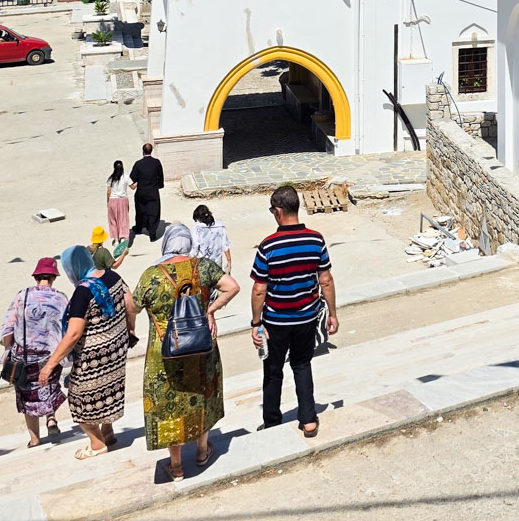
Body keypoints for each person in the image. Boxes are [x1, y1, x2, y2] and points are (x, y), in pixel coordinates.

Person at [135, 223, 240, 479]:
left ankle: (177, 465)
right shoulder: (203, 266)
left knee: (171, 405)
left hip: (166, 355)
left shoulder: (152, 275)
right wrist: (210, 310)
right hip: (202, 347)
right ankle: (203, 451)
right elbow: (232, 287)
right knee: (202, 396)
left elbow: (133, 305)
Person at [250, 185, 337, 437]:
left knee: (273, 372)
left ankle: (272, 423)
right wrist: (332, 314)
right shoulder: (315, 239)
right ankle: (308, 420)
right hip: (307, 317)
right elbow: (326, 280)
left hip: (276, 321)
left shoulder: (268, 246)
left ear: (278, 211)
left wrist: (256, 323)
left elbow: (259, 289)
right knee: (302, 364)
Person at [39, 244, 135, 459]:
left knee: (79, 399)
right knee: (108, 389)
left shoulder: (82, 292)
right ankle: (108, 432)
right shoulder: (113, 276)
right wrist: (130, 331)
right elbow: (130, 304)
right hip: (117, 349)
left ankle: (97, 442)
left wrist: (50, 364)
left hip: (93, 358)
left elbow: (73, 334)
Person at [0, 258, 68, 446]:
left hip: (23, 356)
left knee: (27, 395)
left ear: (36, 276)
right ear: (54, 277)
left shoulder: (23, 295)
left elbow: (8, 326)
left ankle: (34, 439)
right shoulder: (60, 298)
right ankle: (51, 418)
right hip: (49, 355)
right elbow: (67, 328)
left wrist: (8, 350)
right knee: (46, 387)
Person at [129, 144, 164, 244]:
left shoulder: (138, 164)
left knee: (140, 210)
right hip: (153, 192)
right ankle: (152, 234)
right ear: (151, 151)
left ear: (143, 151)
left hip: (141, 192)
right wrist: (159, 185)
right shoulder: (156, 163)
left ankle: (139, 228)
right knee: (153, 212)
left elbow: (132, 178)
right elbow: (160, 176)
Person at [190, 204, 231, 272]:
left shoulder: (196, 229)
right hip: (217, 262)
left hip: (202, 263)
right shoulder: (220, 226)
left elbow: (195, 247)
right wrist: (229, 261)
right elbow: (225, 245)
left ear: (198, 218)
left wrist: (189, 259)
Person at [106, 160, 130, 242]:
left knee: (113, 220)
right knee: (123, 219)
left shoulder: (110, 179)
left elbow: (108, 192)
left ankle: (116, 240)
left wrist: (107, 202)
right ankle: (123, 238)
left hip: (112, 200)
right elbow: (133, 186)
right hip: (123, 200)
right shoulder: (126, 177)